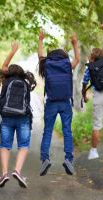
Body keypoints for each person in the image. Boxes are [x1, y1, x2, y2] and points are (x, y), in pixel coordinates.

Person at [0, 42, 36, 188]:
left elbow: (4, 66)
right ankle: (17, 171)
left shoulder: (6, 80)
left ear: (8, 73)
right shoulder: (25, 82)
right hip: (23, 117)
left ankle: (4, 173)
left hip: (6, 116)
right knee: (23, 145)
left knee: (5, 145)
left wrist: (13, 51)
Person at [38, 31, 79, 176]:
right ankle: (68, 159)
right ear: (63, 56)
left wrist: (40, 40)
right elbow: (77, 60)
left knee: (47, 131)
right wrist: (74, 43)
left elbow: (40, 56)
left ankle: (45, 159)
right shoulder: (67, 64)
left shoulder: (46, 64)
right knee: (67, 131)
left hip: (51, 103)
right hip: (65, 102)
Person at [82, 47, 103, 160]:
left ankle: (93, 151)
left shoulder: (90, 68)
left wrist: (84, 97)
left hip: (98, 96)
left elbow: (84, 83)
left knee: (97, 125)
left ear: (92, 58)